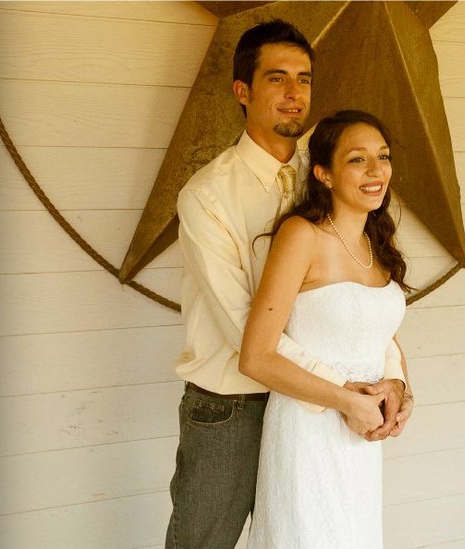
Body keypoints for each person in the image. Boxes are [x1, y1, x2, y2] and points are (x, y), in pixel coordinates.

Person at [167, 20, 413, 549]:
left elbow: (359, 294)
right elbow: (245, 330)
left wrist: (392, 380)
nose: (294, 92)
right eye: (276, 78)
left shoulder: (329, 166)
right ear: (242, 91)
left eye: (304, 78)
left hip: (320, 412)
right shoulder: (207, 196)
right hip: (234, 403)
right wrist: (344, 390)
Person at [240, 109, 412, 548]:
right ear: (324, 174)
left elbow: (380, 335)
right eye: (357, 159)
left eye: (383, 156)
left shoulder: (376, 243)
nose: (376, 170)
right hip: (308, 431)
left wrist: (399, 389)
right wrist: (347, 401)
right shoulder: (302, 236)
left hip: (361, 439)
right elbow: (256, 356)